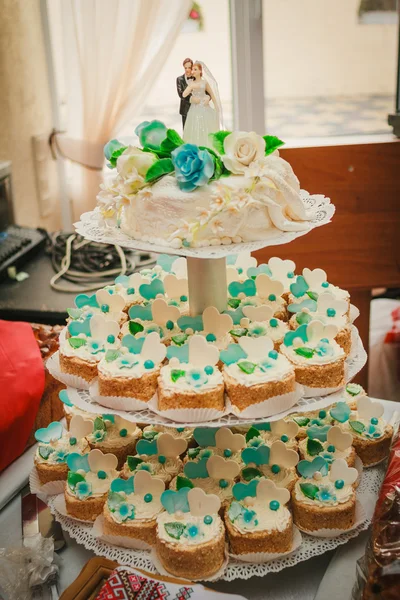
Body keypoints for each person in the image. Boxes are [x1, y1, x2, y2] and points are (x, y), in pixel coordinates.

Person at [182, 61, 223, 147]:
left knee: (206, 127)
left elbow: (212, 94)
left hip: (205, 107)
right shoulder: (192, 83)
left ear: (200, 71)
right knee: (195, 127)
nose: (193, 71)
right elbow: (184, 94)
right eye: (193, 69)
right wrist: (190, 88)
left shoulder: (204, 82)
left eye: (195, 69)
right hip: (195, 108)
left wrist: (216, 105)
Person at [176, 58, 195, 130]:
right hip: (185, 110)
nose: (187, 70)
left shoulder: (196, 78)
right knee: (186, 130)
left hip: (196, 108)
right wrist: (191, 99)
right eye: (185, 68)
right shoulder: (179, 79)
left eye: (189, 68)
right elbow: (180, 94)